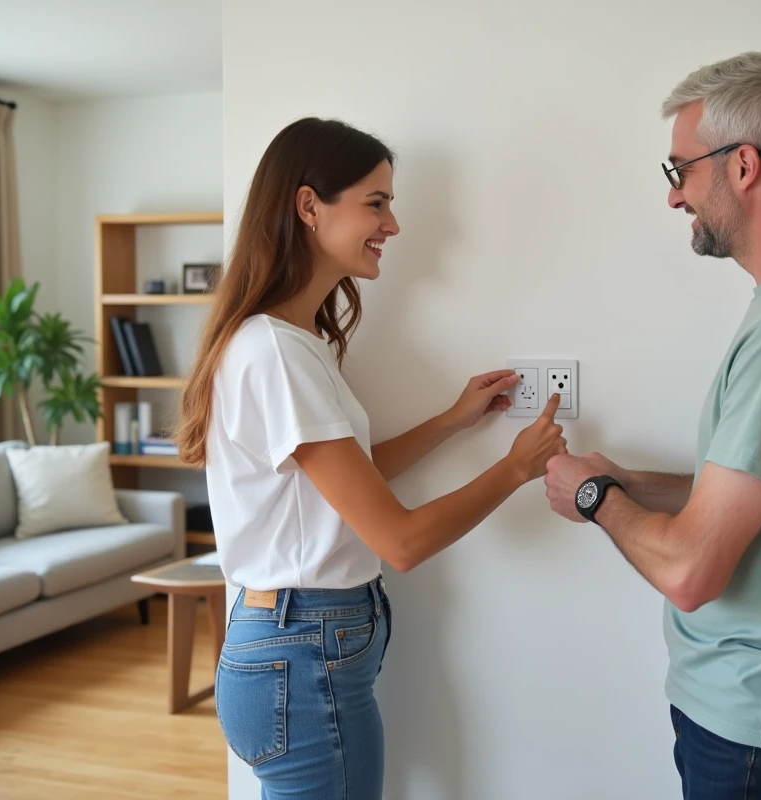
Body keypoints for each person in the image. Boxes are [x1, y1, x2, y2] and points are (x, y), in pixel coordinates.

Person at [176, 117, 567, 800]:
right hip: (301, 658)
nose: (394, 224)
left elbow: (345, 483)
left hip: (289, 650)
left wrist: (450, 421)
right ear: (308, 206)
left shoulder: (292, 343)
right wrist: (515, 468)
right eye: (376, 203)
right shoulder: (275, 352)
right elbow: (401, 540)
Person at [544, 52, 761, 799]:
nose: (675, 199)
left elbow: (689, 572)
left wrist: (593, 498)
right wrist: (632, 482)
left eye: (680, 171)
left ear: (743, 166)